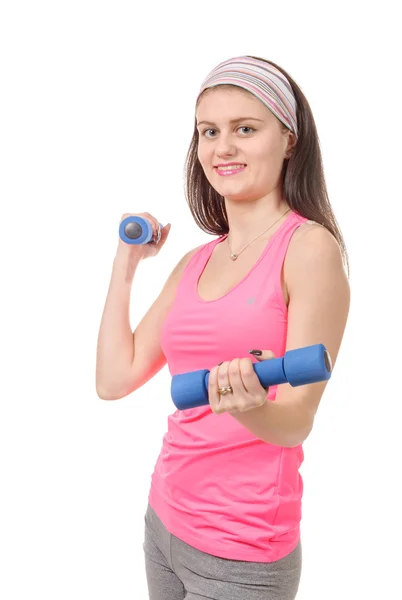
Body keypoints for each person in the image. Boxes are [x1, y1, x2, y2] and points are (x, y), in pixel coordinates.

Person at [96, 55, 351, 600]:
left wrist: (250, 402)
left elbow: (296, 422)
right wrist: (126, 266)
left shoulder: (308, 250)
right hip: (164, 520)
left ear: (289, 140)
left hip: (243, 548)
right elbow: (114, 380)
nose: (223, 148)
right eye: (209, 131)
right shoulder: (194, 262)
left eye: (245, 129)